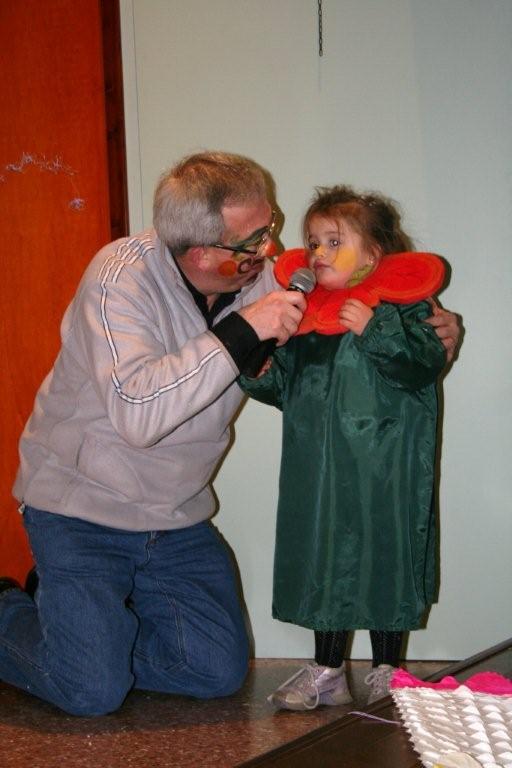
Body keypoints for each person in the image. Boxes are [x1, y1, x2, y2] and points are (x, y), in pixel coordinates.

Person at [0, 153, 458, 717]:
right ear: (203, 254)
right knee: (91, 691)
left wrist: (429, 331)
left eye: (270, 228)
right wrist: (242, 331)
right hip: (82, 510)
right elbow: (138, 415)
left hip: (173, 515)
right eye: (254, 240)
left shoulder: (264, 276)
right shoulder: (119, 279)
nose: (273, 249)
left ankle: (86, 630)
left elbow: (354, 308)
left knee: (214, 671)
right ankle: (18, 614)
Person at [240, 184, 455, 711]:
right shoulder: (307, 314)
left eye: (335, 242)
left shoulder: (402, 306)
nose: (319, 253)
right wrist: (260, 367)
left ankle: (388, 669)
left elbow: (424, 364)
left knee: (386, 554)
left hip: (388, 465)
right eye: (314, 242)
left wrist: (376, 329)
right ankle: (328, 669)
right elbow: (285, 389)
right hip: (319, 467)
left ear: (374, 253)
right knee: (325, 557)